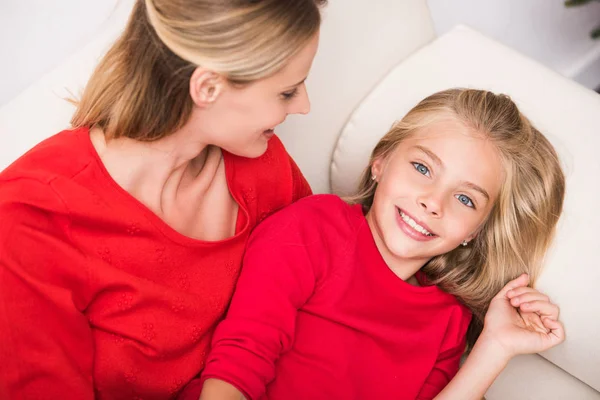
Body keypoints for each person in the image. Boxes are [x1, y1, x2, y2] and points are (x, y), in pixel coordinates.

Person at [0, 0, 327, 398]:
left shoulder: (262, 165)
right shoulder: (33, 216)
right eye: (288, 91)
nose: (306, 106)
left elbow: (332, 300)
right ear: (207, 87)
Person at [191, 89, 566, 400]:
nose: (432, 202)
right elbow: (239, 364)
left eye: (465, 199)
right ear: (380, 162)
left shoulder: (450, 319)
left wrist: (495, 347)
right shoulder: (313, 229)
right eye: (422, 168)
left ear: (477, 231)